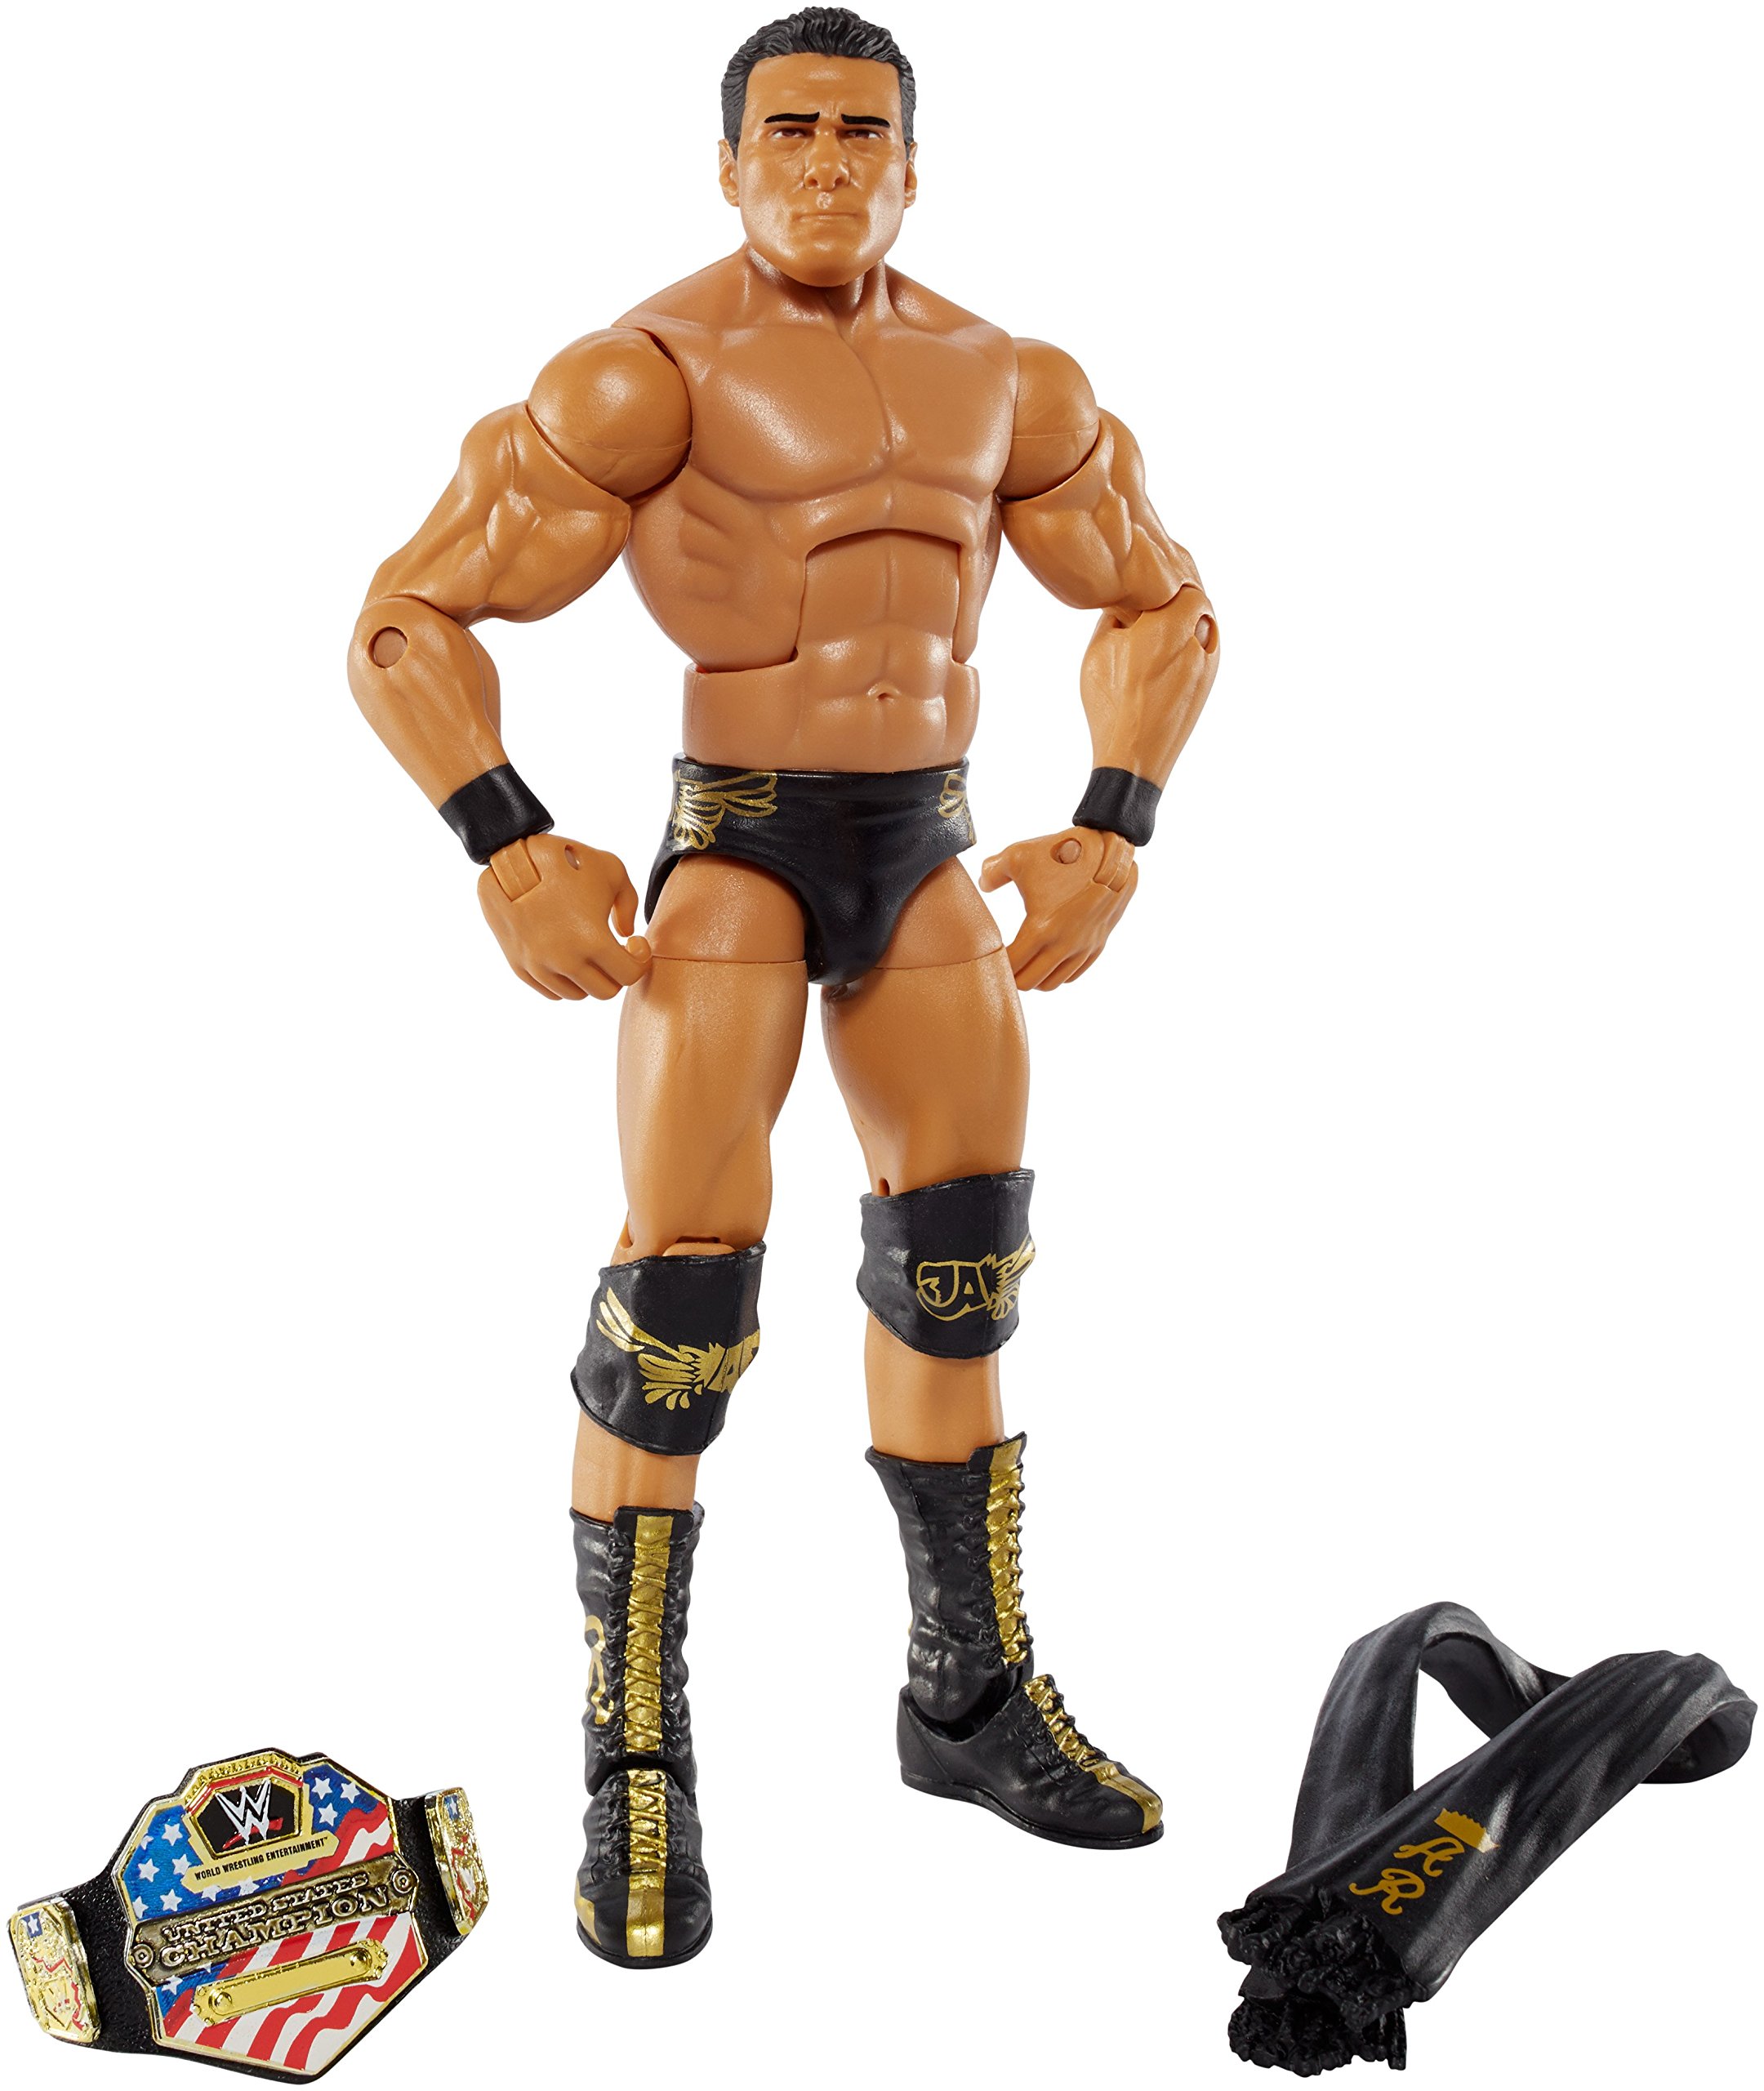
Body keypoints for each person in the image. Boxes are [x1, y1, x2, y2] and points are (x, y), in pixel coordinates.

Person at [349, 7, 1219, 1968]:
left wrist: (1115, 820)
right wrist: (506, 836)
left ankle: (967, 1700)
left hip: (927, 846)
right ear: (730, 164)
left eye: (864, 133)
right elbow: (409, 613)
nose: (829, 164)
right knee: (677, 1303)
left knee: (964, 1262)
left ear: (916, 165)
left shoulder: (1009, 377)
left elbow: (1161, 599)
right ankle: (635, 1760)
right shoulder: (645, 374)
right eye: (793, 131)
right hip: (737, 846)